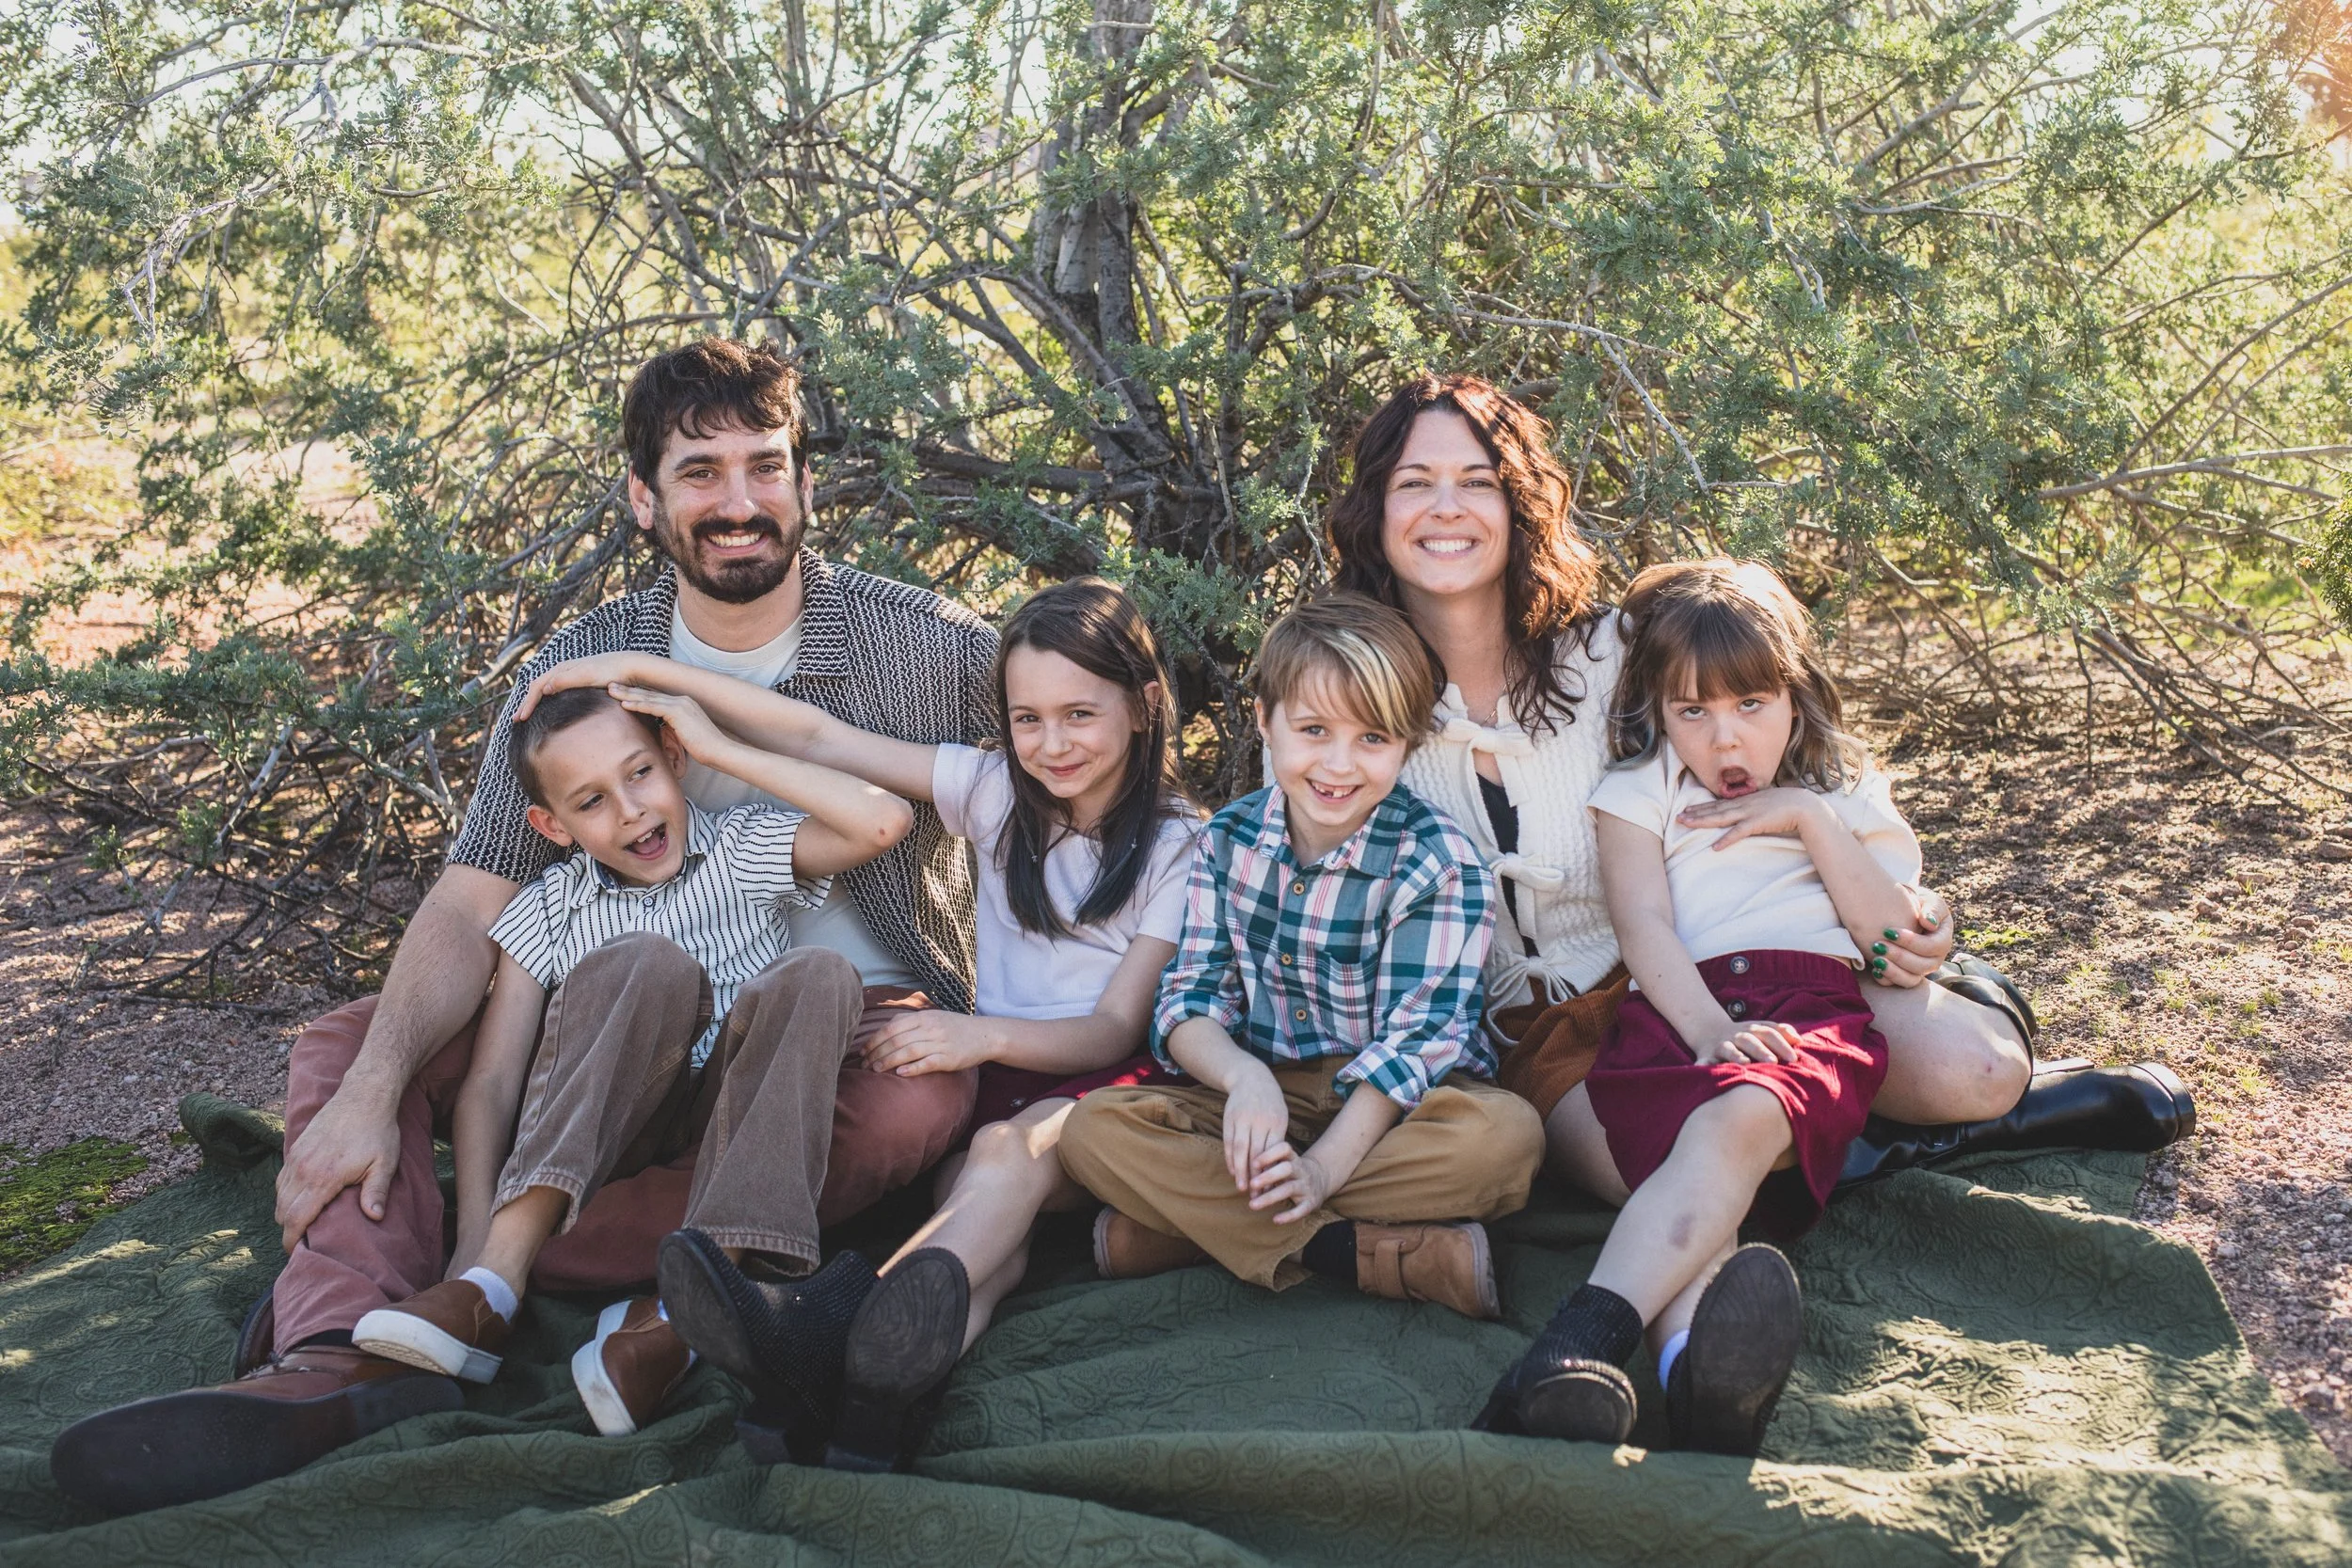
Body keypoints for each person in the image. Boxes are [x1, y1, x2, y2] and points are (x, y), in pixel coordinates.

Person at [50, 338, 999, 1515]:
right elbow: (475, 894)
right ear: (644, 499)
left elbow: (1092, 753)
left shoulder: (930, 646)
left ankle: (575, 1269)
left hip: (831, 1029)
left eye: (766, 465)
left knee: (915, 1098)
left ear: (807, 482)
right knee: (356, 1046)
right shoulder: (577, 665)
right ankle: (338, 1352)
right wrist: (376, 1087)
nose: (741, 500)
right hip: (621, 1021)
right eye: (700, 472)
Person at [1325, 372, 2190, 1186]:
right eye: (1415, 482)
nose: (1447, 507)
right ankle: (1890, 1142)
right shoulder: (1348, 698)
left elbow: (1789, 733)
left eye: (1477, 482)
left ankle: (1957, 1049)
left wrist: (1902, 895)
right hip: (1543, 1037)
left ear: (1518, 505)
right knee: (1656, 1170)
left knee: (1972, 1068)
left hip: (1725, 964)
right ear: (1376, 507)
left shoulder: (1614, 652)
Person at [519, 577, 1200, 1469]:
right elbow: (817, 735)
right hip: (1004, 1082)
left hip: (1102, 1085)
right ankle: (871, 1413)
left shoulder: (1180, 844)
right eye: (1027, 719)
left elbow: (1115, 1028)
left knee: (1001, 1168)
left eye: (1080, 714)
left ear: (1144, 706)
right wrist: (666, 686)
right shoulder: (999, 792)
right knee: (983, 1233)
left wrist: (979, 1035)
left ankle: (826, 1327)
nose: (1052, 743)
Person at [345, 681, 910, 1439]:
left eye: (640, 772)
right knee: (647, 961)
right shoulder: (549, 908)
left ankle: (686, 1310)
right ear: (552, 824)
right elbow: (493, 1081)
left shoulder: (740, 847)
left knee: (822, 974)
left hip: (735, 1118)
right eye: (592, 800)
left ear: (674, 758)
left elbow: (882, 820)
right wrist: (473, 1238)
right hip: (614, 1127)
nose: (632, 810)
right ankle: (494, 1285)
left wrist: (719, 746)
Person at [1477, 559, 1924, 1452]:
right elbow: (1641, 923)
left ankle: (1569, 1348)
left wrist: (1808, 818)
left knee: (1742, 1113)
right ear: (1658, 710)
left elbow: (1889, 937)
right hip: (1681, 1011)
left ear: (1795, 695)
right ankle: (1695, 1381)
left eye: (1752, 705)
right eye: (1693, 711)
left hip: (1808, 1013)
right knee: (1694, 1159)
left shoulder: (1842, 795)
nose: (1726, 741)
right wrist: (1710, 1028)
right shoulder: (1643, 785)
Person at [1057, 594, 1546, 1317]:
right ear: (1265, 720)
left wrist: (1319, 1172)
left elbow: (1414, 1044)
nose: (1338, 765)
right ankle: (1361, 1252)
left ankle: (1196, 1230)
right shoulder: (1227, 840)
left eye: (1372, 737)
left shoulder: (1437, 860)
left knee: (1506, 1142)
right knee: (1091, 1132)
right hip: (1264, 1098)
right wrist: (1243, 1077)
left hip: (1395, 1112)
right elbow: (1189, 997)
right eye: (1314, 730)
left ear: (1407, 744)